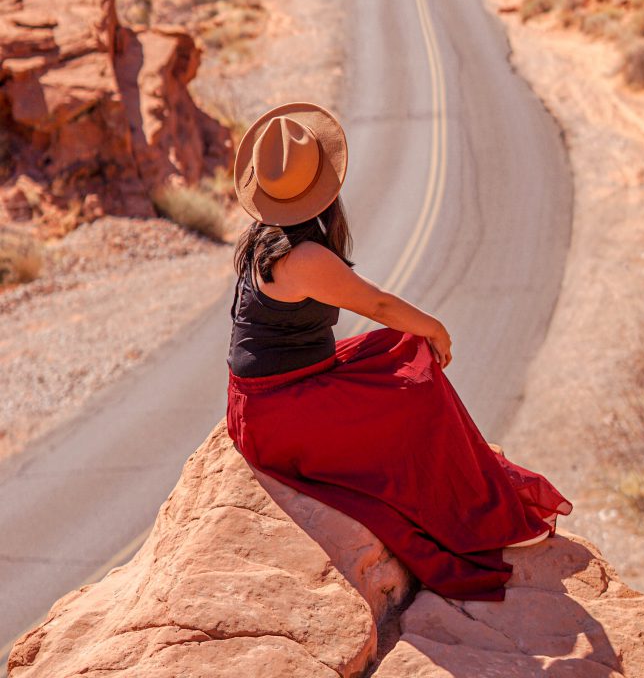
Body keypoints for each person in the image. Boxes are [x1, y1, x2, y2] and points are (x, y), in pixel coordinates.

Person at [225, 101, 573, 602]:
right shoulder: (303, 256)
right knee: (417, 392)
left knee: (402, 353)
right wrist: (436, 327)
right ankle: (476, 511)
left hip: (268, 397)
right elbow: (379, 303)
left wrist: (419, 333)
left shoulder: (264, 237)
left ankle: (471, 482)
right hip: (279, 414)